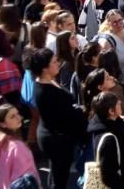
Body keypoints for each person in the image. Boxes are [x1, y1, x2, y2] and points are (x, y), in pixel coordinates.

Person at [30, 48, 87, 189]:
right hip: (56, 140)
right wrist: (81, 110)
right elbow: (65, 115)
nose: (58, 63)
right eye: (54, 62)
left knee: (56, 172)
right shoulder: (45, 91)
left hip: (52, 135)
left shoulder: (48, 81)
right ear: (44, 69)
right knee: (60, 177)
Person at [87, 91, 124, 189]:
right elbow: (108, 176)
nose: (120, 103)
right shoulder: (109, 140)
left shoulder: (101, 120)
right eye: (118, 104)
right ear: (111, 111)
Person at [0, 104, 39, 189]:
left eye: (18, 114)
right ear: (3, 124)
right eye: (12, 116)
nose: (19, 118)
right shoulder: (17, 147)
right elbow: (25, 182)